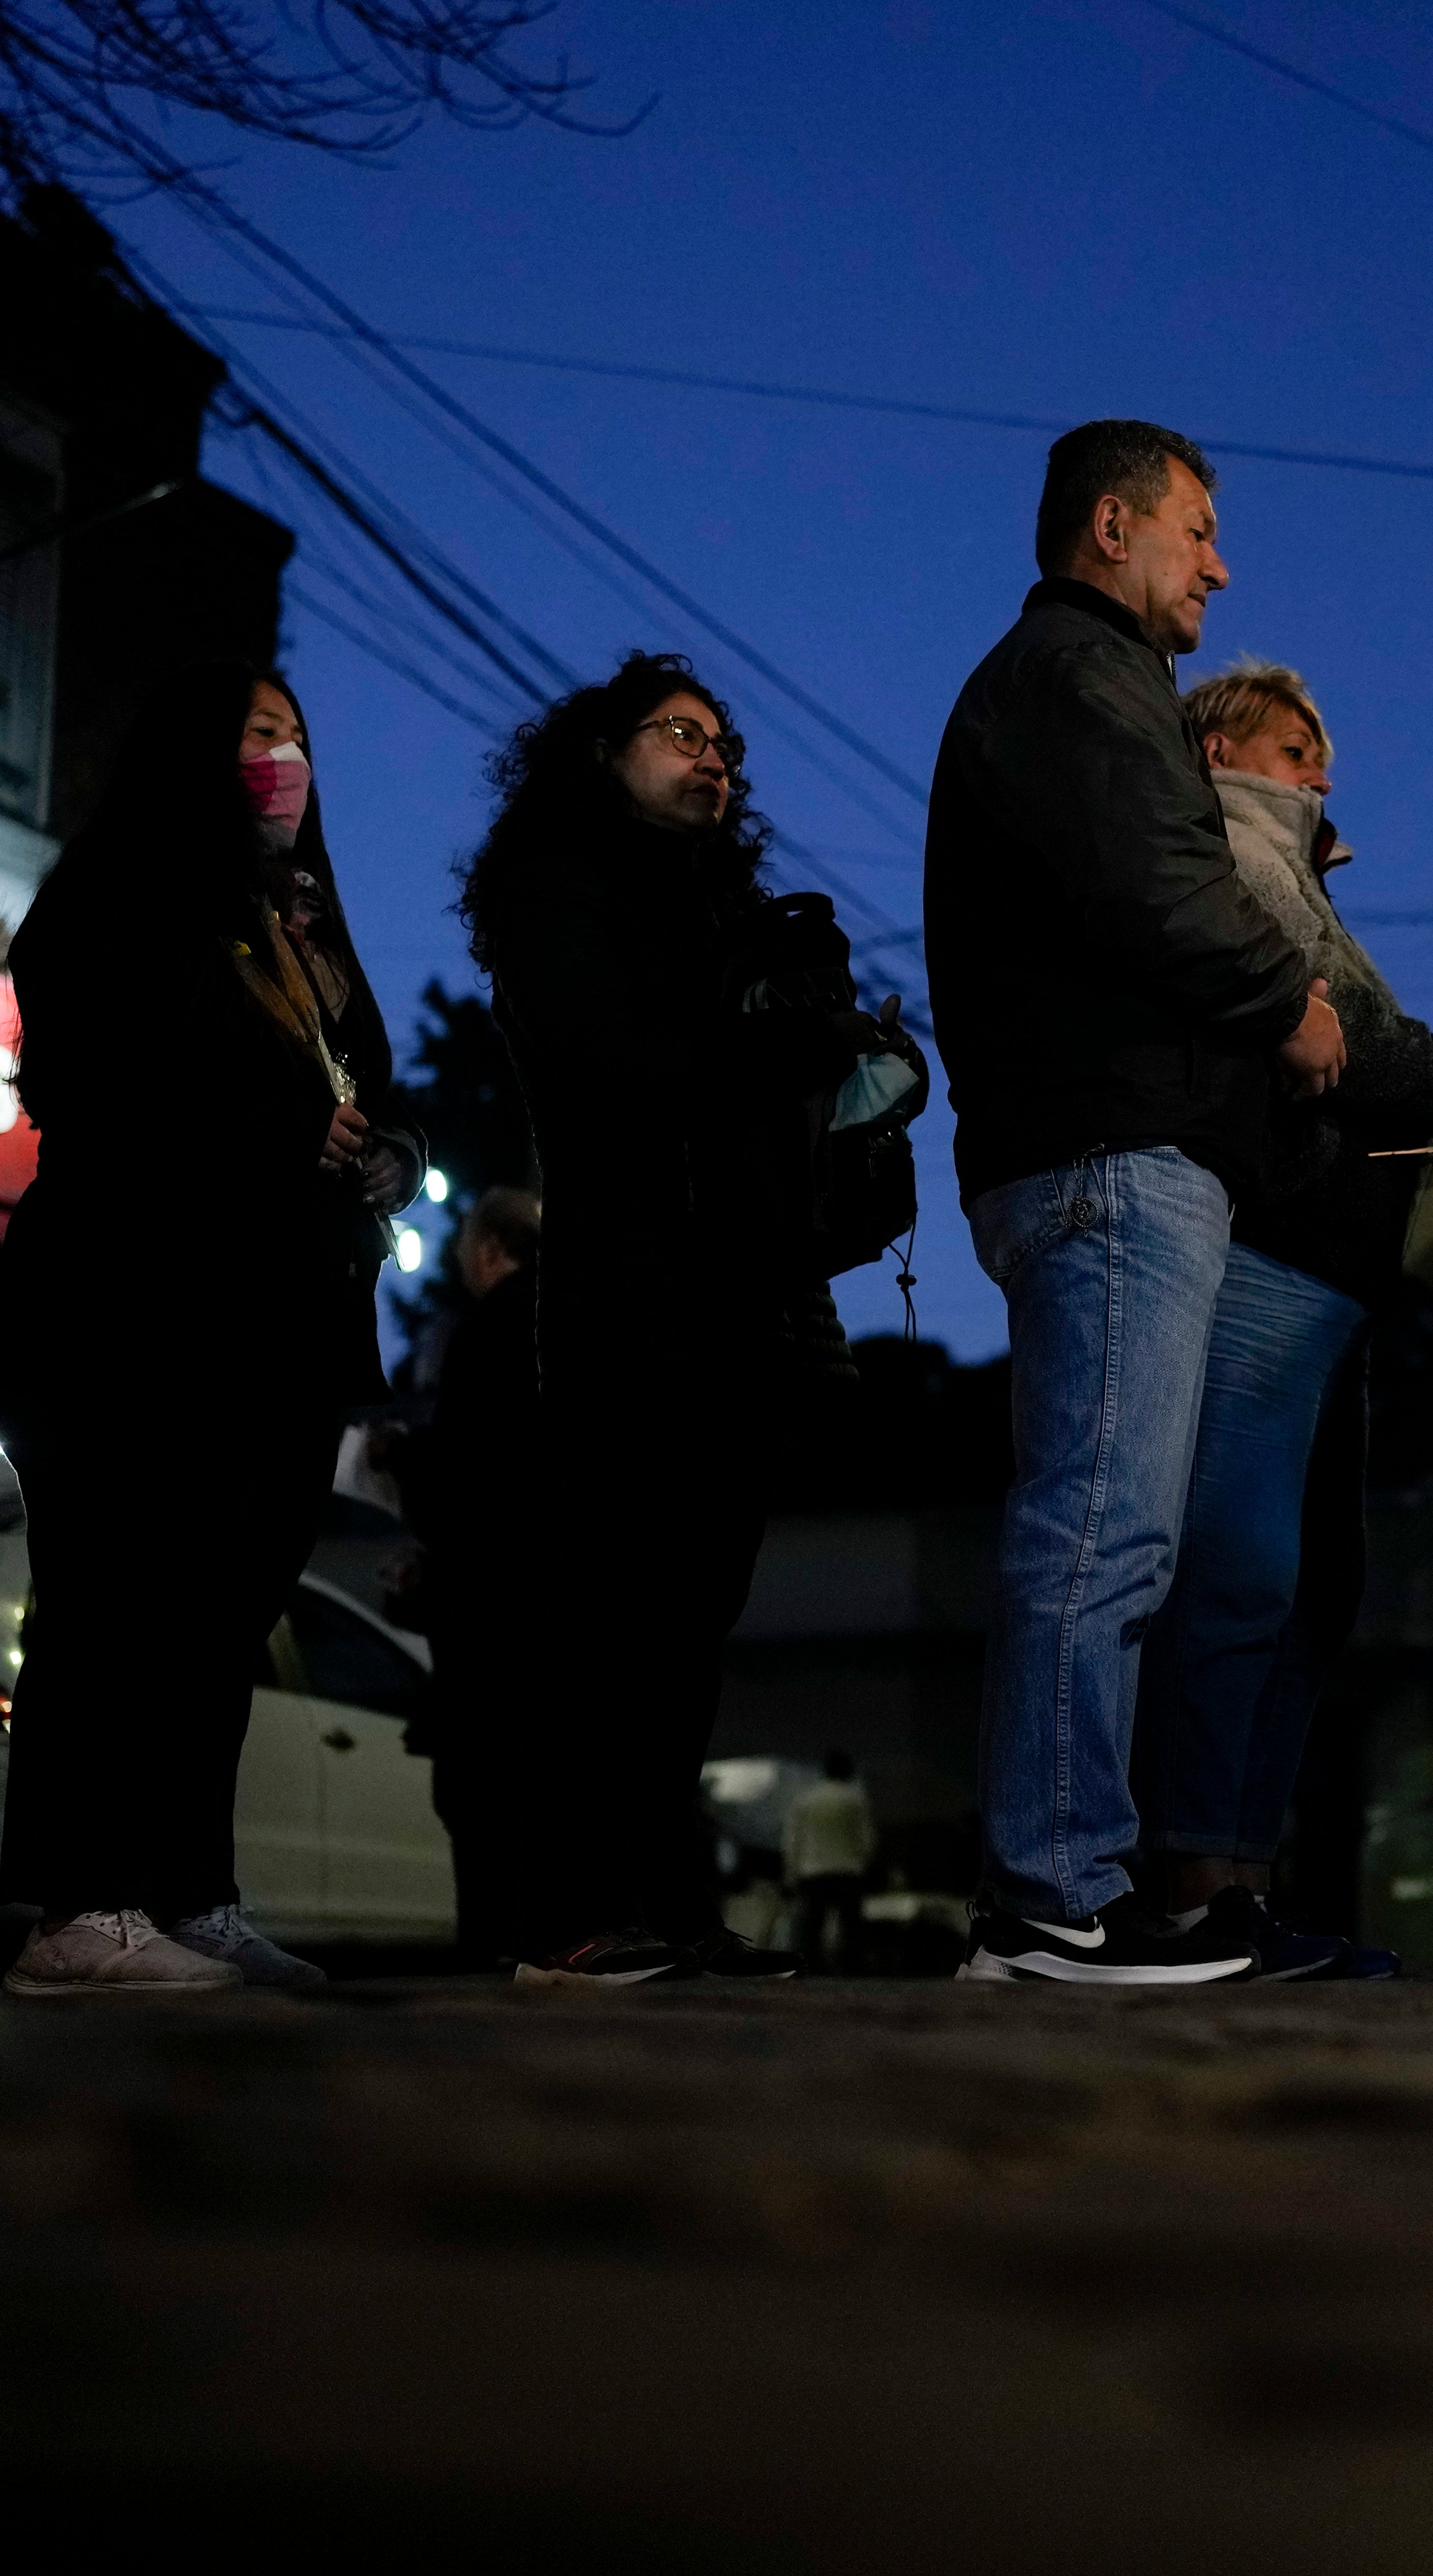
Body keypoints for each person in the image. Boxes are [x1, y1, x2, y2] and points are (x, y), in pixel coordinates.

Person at [926, 421, 1342, 1984]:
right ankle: (1046, 1897)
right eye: (1201, 529)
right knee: (1099, 1530)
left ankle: (1059, 1889)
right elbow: (1157, 886)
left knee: (1112, 1532)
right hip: (1104, 1154)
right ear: (1114, 526)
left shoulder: (1077, 685)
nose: (1221, 565)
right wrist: (1285, 998)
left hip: (1099, 1145)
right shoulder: (1083, 680)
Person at [0, 670, 423, 1997]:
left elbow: (369, 1085)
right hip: (128, 1305)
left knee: (221, 1615)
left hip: (280, 1322)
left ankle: (186, 1893)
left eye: (297, 734)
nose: (284, 757)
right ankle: (78, 1906)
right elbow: (82, 1079)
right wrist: (277, 1130)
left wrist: (392, 1153)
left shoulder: (302, 923)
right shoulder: (117, 894)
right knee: (114, 1597)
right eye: (254, 730)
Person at [463, 652, 892, 1987]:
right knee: (612, 1605)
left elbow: (768, 1094)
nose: (713, 757)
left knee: (689, 1622)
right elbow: (624, 1063)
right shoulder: (556, 887)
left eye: (725, 745)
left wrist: (853, 1073)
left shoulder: (728, 911)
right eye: (681, 733)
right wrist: (784, 1037)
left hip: (742, 1296)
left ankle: (663, 1905)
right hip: (631, 1287)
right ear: (600, 752)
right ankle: (561, 1916)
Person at [1137, 660, 1433, 1979]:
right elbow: (1347, 1022)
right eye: (1291, 741)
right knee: (1245, 1566)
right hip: (1275, 1245)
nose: (1317, 765)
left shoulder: (1280, 858)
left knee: (1308, 1583)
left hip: (1323, 1257)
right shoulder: (1233, 849)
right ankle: (1201, 1880)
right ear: (1215, 751)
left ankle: (1234, 1877)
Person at [381, 1184, 542, 1964]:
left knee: (481, 1802)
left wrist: (397, 1460)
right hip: (553, 1606)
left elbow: (466, 1481)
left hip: (486, 1613)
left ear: (486, 1251)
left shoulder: (485, 1334)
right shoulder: (568, 1326)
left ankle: (492, 1958)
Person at [781, 1750, 876, 1971]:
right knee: (851, 1927)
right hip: (848, 1871)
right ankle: (853, 1968)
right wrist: (864, 1864)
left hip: (813, 1872)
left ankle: (812, 1967)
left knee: (813, 1926)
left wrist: (791, 1874)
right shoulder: (855, 1799)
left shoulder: (806, 1800)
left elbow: (793, 1842)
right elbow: (867, 1839)